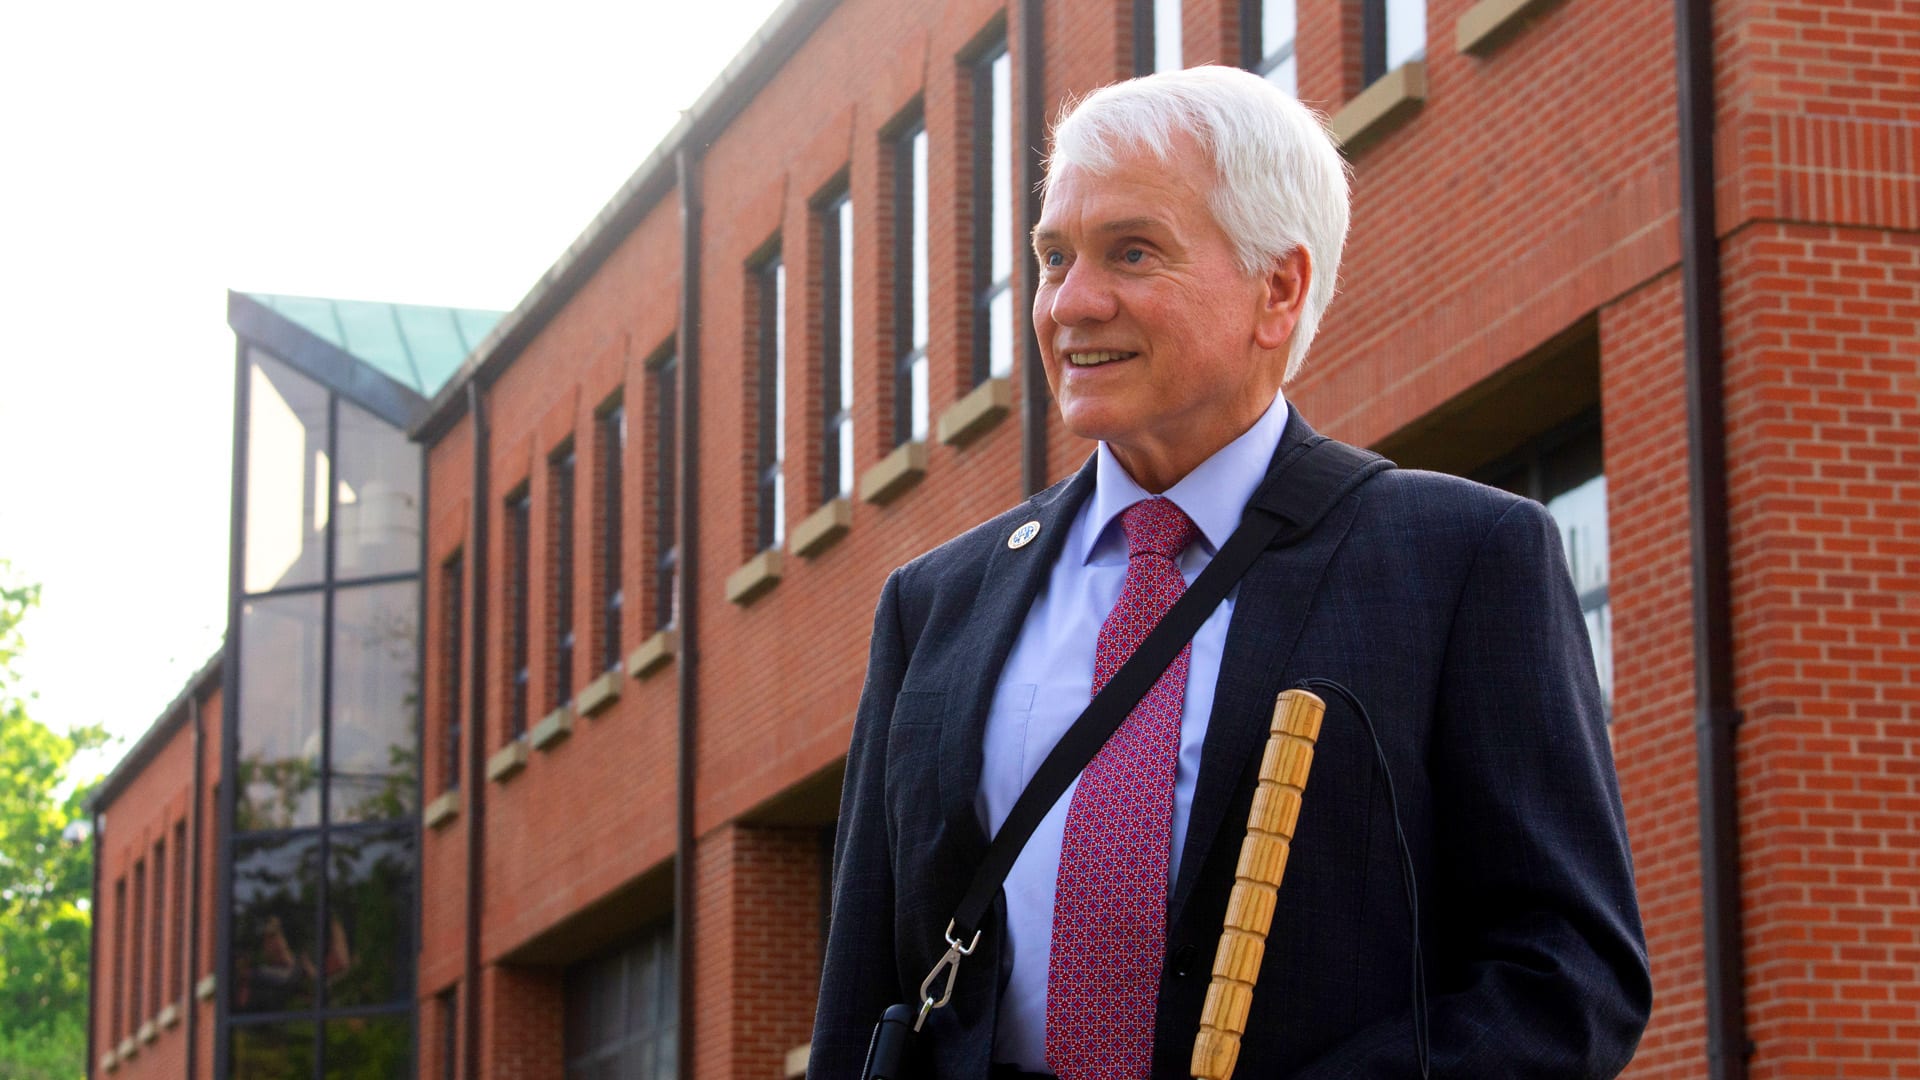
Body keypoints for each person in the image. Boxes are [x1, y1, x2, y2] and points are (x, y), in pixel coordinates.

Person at [810, 65, 1650, 1079]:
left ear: (1278, 289)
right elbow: (863, 992)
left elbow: (1568, 973)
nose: (1071, 303)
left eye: (1131, 252)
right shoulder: (934, 604)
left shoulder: (1459, 559)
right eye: (1052, 257)